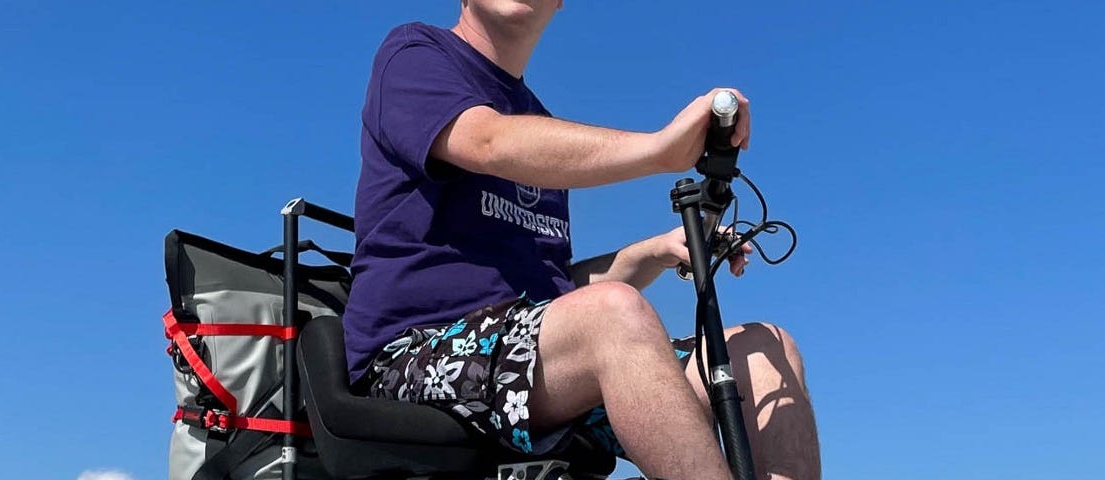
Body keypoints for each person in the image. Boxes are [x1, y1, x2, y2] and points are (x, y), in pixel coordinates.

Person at [345, 2, 820, 479]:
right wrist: (660, 149)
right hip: (415, 357)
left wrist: (651, 253)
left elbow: (556, 295)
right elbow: (485, 141)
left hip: (532, 361)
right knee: (614, 313)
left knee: (763, 349)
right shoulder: (413, 52)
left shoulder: (542, 125)